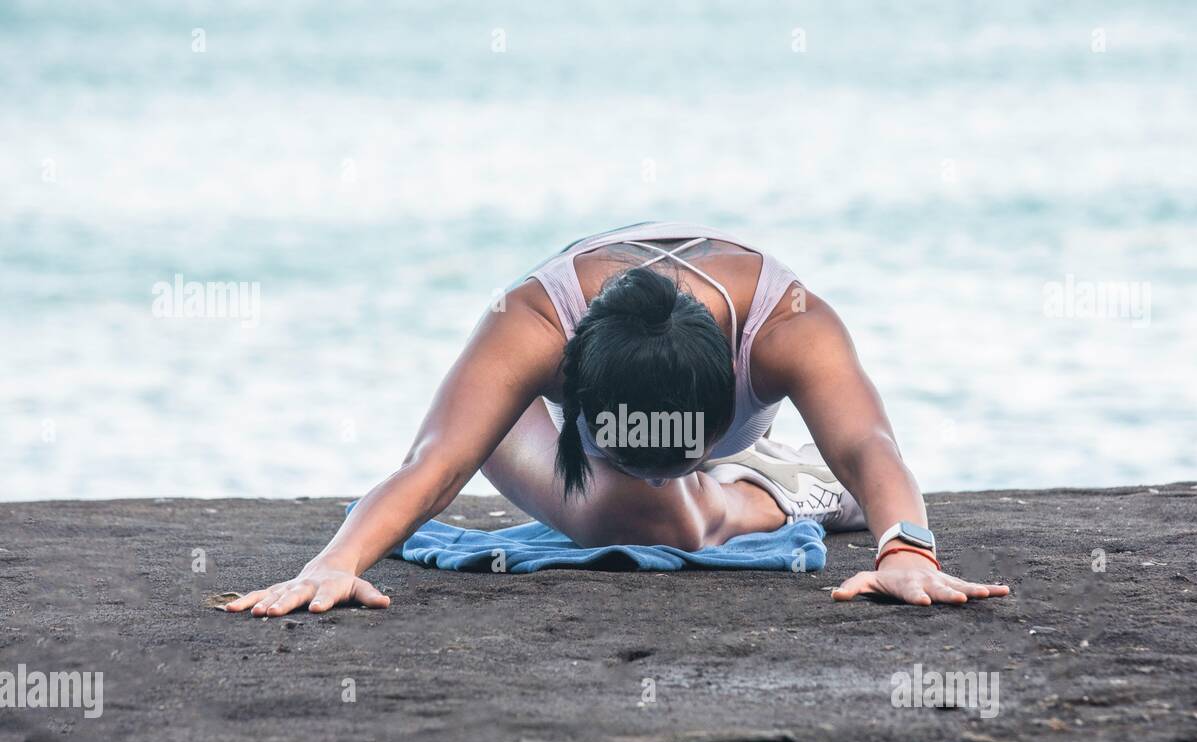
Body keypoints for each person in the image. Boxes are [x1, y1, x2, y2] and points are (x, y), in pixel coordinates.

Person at [225, 222, 1010, 616]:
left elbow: (868, 441)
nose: (651, 465)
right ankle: (765, 492)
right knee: (630, 515)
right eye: (631, 450)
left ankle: (773, 478)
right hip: (536, 431)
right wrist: (335, 563)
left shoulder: (785, 325)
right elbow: (433, 464)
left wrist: (908, 548)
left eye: (676, 454)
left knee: (661, 508)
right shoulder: (536, 322)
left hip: (719, 435)